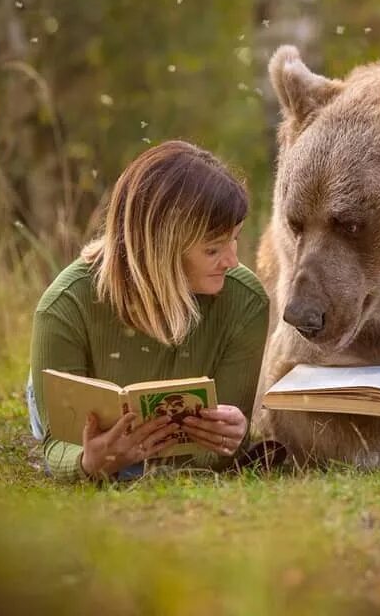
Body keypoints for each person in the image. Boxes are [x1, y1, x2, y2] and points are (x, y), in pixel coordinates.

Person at [26, 140, 271, 481]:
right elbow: (57, 449)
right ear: (161, 250)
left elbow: (223, 450)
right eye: (213, 249)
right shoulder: (64, 307)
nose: (232, 260)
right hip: (89, 385)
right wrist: (89, 462)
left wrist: (231, 436)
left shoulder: (246, 301)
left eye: (234, 239)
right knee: (49, 403)